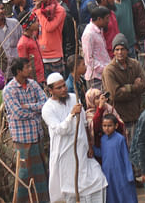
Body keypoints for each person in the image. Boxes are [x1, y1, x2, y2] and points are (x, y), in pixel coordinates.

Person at [42, 73, 108, 203]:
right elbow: (60, 130)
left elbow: (84, 123)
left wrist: (90, 144)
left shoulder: (73, 98)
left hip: (82, 150)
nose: (63, 89)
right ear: (51, 91)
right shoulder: (47, 109)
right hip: (65, 154)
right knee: (70, 188)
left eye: (64, 86)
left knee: (97, 180)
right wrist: (71, 115)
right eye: (59, 88)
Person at [3, 58, 49, 203]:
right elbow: (17, 113)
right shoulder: (9, 90)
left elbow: (45, 103)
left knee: (41, 174)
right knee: (24, 175)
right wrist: (36, 110)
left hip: (37, 137)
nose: (30, 69)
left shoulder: (33, 84)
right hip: (23, 139)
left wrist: (28, 106)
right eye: (27, 67)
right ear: (18, 71)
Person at [102, 33, 145, 145]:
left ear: (127, 50)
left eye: (122, 49)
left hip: (136, 114)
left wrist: (126, 88)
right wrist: (134, 87)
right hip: (121, 117)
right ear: (113, 51)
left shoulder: (135, 64)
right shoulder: (109, 70)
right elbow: (115, 94)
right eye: (117, 49)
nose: (120, 52)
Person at [95, 114, 137, 203]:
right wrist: (91, 148)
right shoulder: (103, 139)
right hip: (108, 174)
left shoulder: (120, 139)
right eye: (104, 126)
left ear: (116, 126)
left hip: (120, 174)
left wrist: (129, 174)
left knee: (124, 196)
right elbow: (102, 153)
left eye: (109, 125)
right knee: (112, 196)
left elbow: (126, 157)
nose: (106, 128)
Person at [31, 0, 67, 76]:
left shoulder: (59, 10)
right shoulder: (37, 10)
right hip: (40, 55)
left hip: (54, 56)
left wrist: (39, 12)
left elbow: (49, 27)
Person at [82, 6, 113, 90]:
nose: (108, 21)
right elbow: (89, 59)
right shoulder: (89, 34)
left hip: (104, 74)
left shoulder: (99, 30)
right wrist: (105, 69)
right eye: (106, 18)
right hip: (96, 78)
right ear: (99, 19)